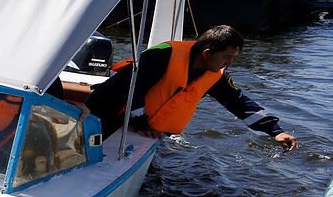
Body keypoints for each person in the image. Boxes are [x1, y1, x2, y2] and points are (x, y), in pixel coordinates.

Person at [84, 25, 296, 151]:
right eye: (226, 57)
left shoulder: (216, 75)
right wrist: (141, 122)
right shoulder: (162, 55)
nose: (229, 63)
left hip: (139, 127)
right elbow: (130, 87)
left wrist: (275, 131)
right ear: (206, 53)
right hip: (107, 112)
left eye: (233, 58)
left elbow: (238, 102)